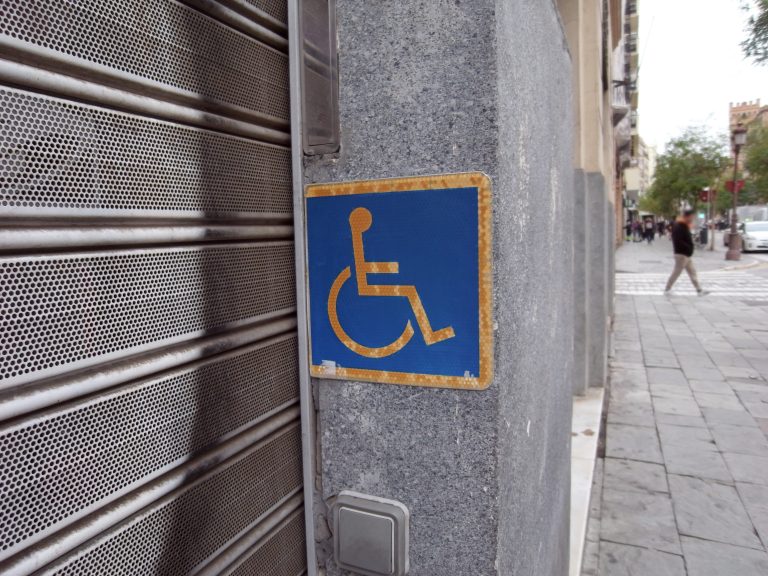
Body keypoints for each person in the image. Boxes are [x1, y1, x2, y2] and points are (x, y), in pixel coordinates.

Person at [664, 210, 708, 296]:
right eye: (691, 216)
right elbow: (678, 240)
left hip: (686, 254)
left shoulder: (683, 225)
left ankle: (699, 290)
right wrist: (687, 248)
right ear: (687, 216)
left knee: (692, 272)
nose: (692, 218)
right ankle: (667, 288)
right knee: (677, 272)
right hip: (682, 254)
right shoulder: (679, 226)